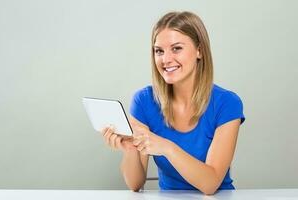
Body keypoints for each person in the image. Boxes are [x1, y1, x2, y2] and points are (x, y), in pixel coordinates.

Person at [101, 11, 245, 195]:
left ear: (199, 50)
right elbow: (135, 184)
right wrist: (130, 150)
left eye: (176, 48)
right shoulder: (144, 101)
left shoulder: (227, 103)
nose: (166, 59)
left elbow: (210, 184)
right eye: (159, 51)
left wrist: (167, 147)